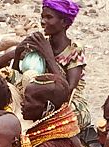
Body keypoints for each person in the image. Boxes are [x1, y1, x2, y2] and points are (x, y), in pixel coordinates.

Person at [18, 0, 90, 131]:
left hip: (68, 103)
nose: (43, 21)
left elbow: (67, 90)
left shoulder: (74, 50)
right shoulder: (41, 44)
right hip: (40, 99)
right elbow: (19, 74)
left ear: (64, 22)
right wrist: (18, 52)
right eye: (42, 17)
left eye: (49, 17)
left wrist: (48, 56)